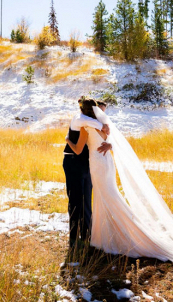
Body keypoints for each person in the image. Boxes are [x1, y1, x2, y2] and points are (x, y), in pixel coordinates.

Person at [66, 98, 173, 270]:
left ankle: (120, 235)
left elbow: (77, 149)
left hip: (97, 164)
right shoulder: (104, 126)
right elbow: (113, 142)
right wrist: (109, 144)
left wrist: (68, 140)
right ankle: (106, 235)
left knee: (107, 197)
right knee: (109, 195)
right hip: (106, 163)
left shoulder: (86, 127)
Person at [62, 97, 111, 248]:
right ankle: (75, 238)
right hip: (74, 162)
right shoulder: (79, 120)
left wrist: (106, 129)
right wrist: (104, 125)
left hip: (86, 163)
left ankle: (86, 236)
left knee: (85, 202)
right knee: (77, 201)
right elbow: (96, 125)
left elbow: (102, 135)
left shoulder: (89, 124)